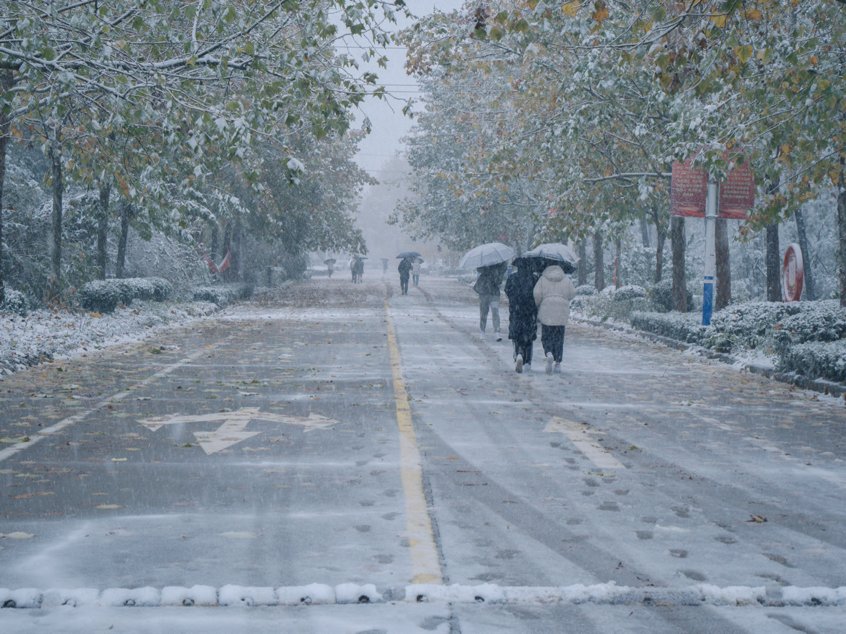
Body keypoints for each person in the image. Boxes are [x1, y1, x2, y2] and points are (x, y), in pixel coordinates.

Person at [533, 260, 577, 374]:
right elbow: (572, 293)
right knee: (559, 337)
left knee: (546, 335)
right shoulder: (566, 279)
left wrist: (539, 304)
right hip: (561, 311)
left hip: (546, 309)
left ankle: (548, 353)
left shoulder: (542, 279)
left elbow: (537, 294)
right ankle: (557, 362)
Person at [505, 258, 539, 373]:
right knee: (528, 337)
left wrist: (514, 301)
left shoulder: (512, 278)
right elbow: (538, 294)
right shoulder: (534, 279)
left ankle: (519, 353)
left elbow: (507, 291)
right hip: (530, 312)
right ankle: (528, 362)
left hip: (516, 311)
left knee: (517, 335)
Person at [473, 261, 507, 340]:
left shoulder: (498, 267)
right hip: (484, 293)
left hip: (493, 293)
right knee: (484, 312)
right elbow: (479, 269)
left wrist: (496, 275)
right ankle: (482, 331)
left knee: (495, 312)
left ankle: (497, 332)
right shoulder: (482, 267)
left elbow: (499, 281)